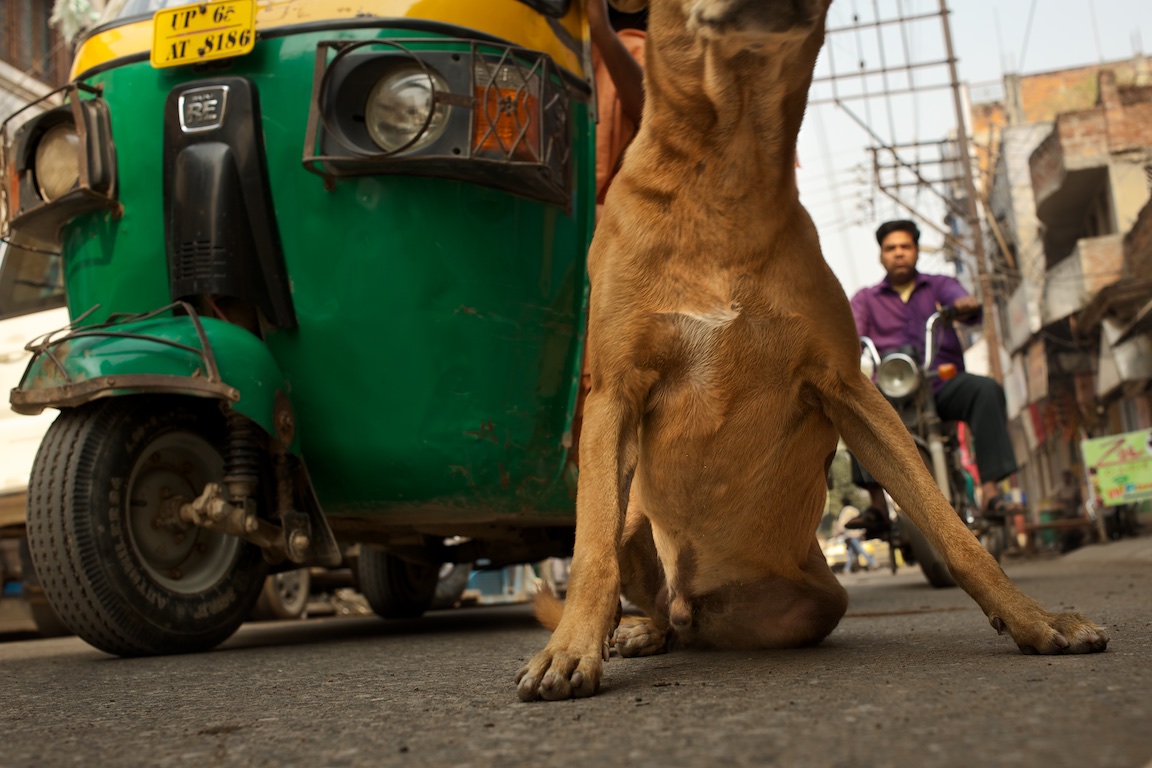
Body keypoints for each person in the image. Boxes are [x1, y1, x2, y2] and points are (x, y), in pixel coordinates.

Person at [846, 219, 1018, 538]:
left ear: (915, 251)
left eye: (905, 247)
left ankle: (991, 492)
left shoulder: (940, 285)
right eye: (891, 248)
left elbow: (961, 300)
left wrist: (963, 305)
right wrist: (844, 342)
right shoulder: (866, 299)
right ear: (881, 256)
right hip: (894, 393)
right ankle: (877, 507)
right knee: (856, 410)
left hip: (942, 383)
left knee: (986, 390)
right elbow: (850, 332)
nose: (898, 253)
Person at [835, 496, 876, 573]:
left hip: (851, 535)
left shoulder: (845, 511)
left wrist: (839, 532)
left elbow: (842, 524)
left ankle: (873, 563)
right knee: (851, 554)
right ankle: (846, 569)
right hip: (857, 534)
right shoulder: (854, 510)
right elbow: (861, 520)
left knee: (860, 550)